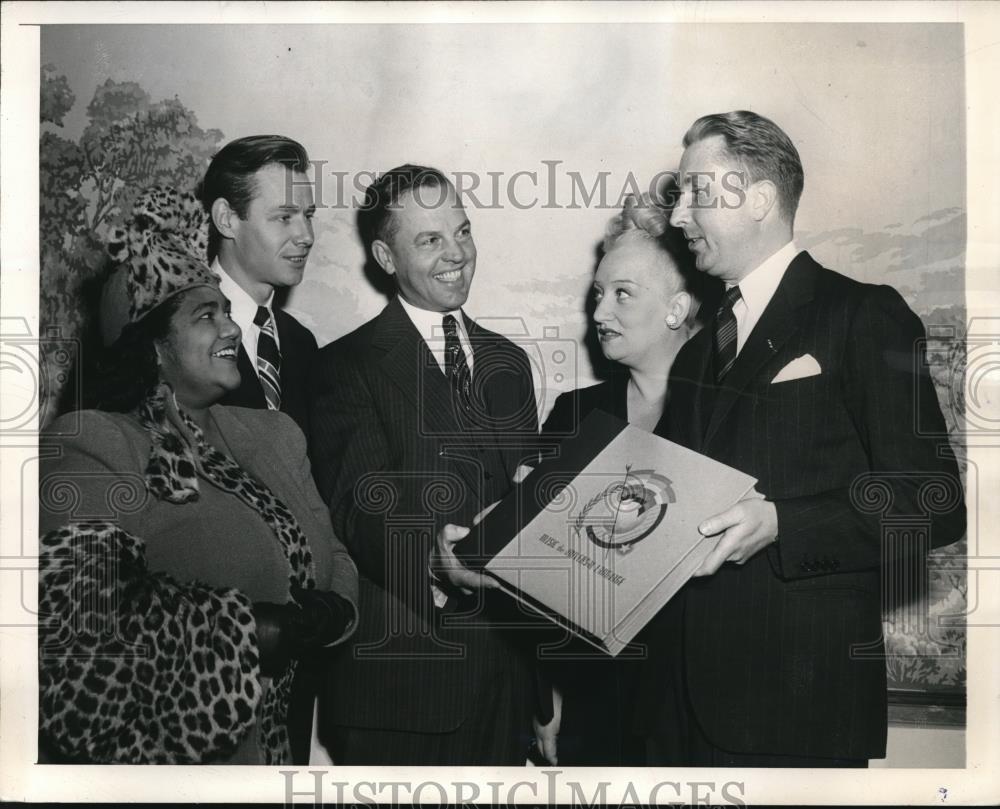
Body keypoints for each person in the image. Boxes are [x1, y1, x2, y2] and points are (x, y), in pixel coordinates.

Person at [636, 110, 966, 766]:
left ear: (759, 199)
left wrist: (785, 522)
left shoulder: (862, 314)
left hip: (799, 707)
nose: (677, 218)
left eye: (697, 192)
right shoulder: (698, 351)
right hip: (680, 707)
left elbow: (933, 499)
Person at [38, 186, 358, 765]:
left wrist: (336, 613)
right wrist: (250, 631)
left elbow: (336, 552)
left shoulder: (275, 435)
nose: (231, 330)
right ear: (153, 347)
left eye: (228, 313)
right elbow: (74, 649)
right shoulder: (94, 442)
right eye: (205, 317)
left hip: (276, 762)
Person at [308, 165, 540, 765]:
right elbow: (358, 510)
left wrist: (543, 692)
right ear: (385, 256)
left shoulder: (507, 361)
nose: (457, 254)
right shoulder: (343, 367)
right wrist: (437, 562)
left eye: (461, 232)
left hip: (511, 691)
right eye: (430, 240)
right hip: (407, 691)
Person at [533, 192, 719, 766]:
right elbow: (542, 587)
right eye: (598, 294)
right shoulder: (572, 415)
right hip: (595, 705)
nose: (599, 313)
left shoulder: (729, 415)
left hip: (701, 710)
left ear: (676, 308)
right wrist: (548, 698)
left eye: (622, 294)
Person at [198, 135, 318, 440]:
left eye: (308, 216)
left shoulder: (302, 343)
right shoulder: (170, 330)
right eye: (284, 217)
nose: (306, 236)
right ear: (226, 220)